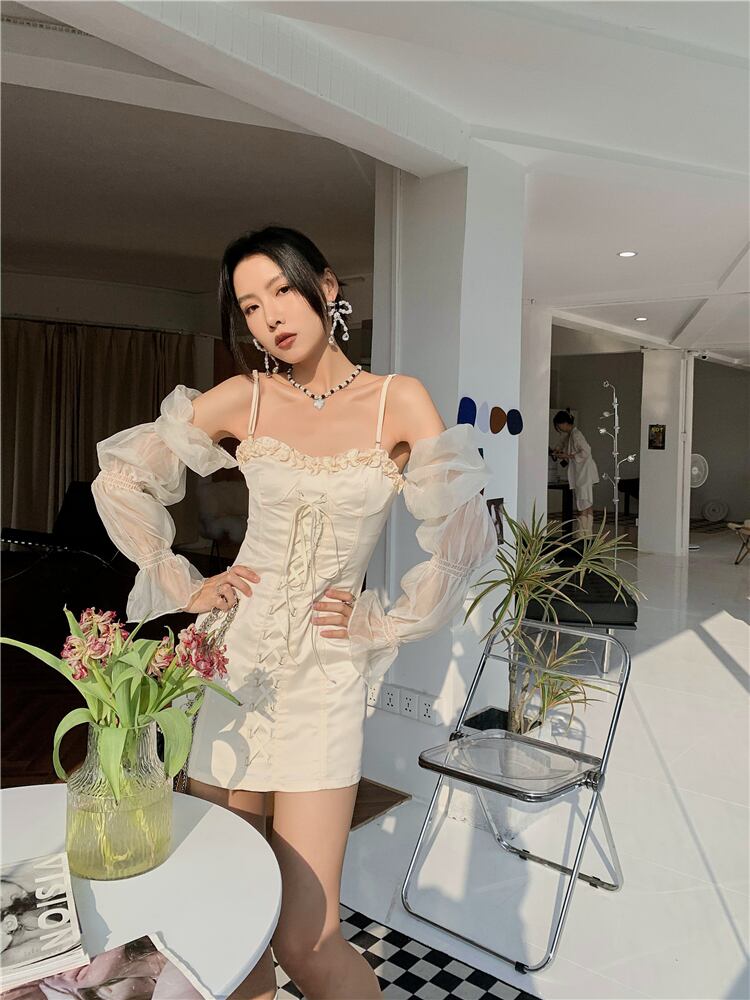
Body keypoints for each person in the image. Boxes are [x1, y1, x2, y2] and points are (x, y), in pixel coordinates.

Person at [90, 225, 498, 1000]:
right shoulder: (245, 397)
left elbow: (465, 529)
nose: (269, 315)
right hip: (232, 671)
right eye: (250, 305)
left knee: (308, 939)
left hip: (325, 677)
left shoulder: (398, 401)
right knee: (231, 920)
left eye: (281, 289)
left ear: (327, 289)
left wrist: (388, 620)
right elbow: (121, 477)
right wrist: (181, 582)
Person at [552, 409, 599, 536]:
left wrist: (567, 456)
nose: (559, 428)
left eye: (558, 426)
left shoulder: (576, 435)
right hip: (583, 473)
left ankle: (582, 534)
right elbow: (563, 442)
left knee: (583, 503)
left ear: (563, 423)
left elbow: (586, 451)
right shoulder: (572, 434)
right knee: (587, 504)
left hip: (584, 473)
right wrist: (559, 450)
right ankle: (587, 534)